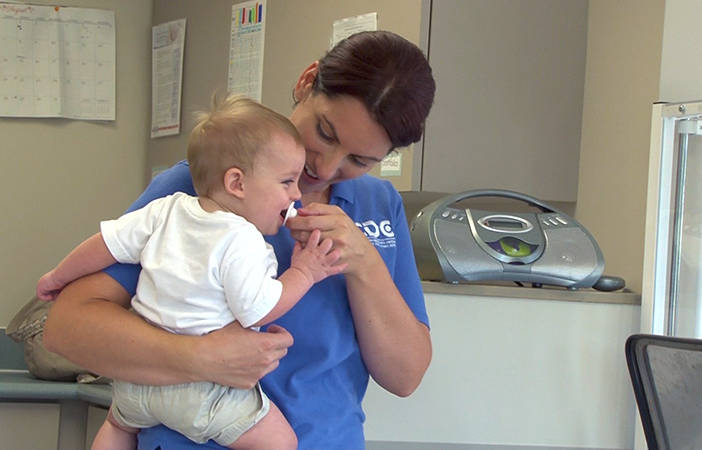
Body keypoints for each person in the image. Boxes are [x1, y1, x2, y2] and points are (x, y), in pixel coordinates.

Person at [43, 30, 436, 449]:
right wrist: (203, 358)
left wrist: (363, 260)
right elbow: (67, 328)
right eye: (325, 132)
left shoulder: (378, 204)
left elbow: (405, 376)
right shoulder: (205, 188)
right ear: (307, 82)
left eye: (360, 160)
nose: (325, 166)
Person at [37, 94, 346, 449]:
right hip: (203, 393)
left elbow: (105, 243)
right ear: (237, 184)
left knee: (118, 426)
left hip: (139, 385)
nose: (296, 196)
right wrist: (305, 272)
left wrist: (57, 276)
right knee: (281, 442)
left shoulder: (165, 210)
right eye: (287, 182)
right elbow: (258, 309)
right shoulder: (243, 239)